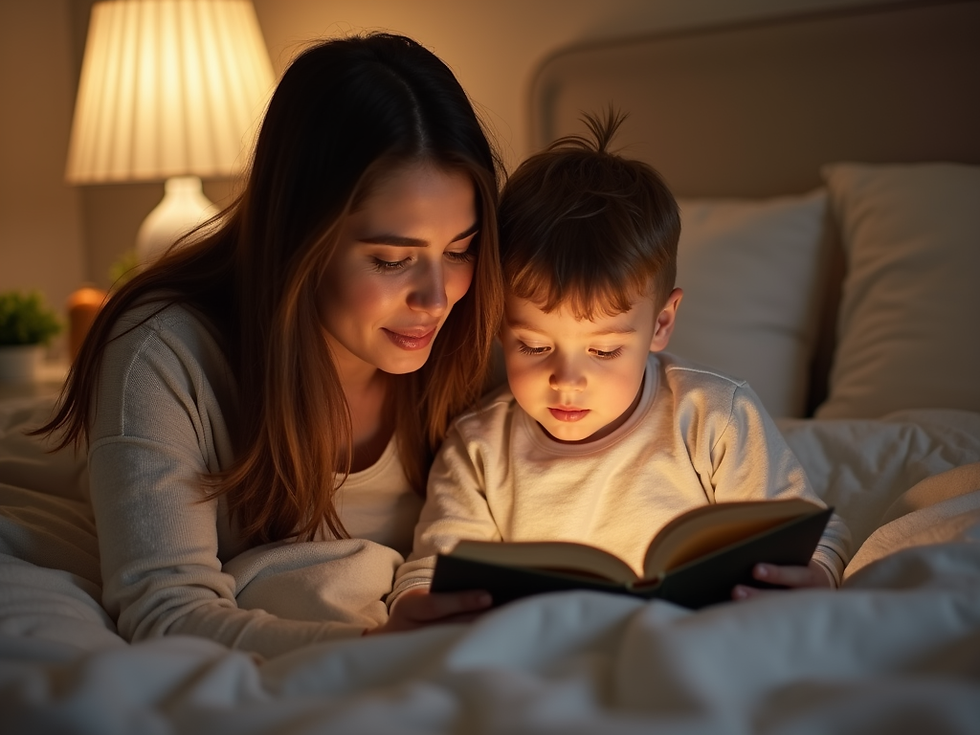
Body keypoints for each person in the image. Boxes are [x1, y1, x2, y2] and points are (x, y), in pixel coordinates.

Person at [37, 33, 501, 659]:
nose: (439, 298)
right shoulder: (162, 352)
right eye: (393, 260)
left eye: (460, 250)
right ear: (298, 239)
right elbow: (165, 609)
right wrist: (371, 648)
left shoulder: (488, 342)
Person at [390, 111, 850, 608]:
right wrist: (417, 602)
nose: (566, 381)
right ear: (499, 325)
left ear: (661, 325)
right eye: (534, 346)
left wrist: (818, 572)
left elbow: (811, 533)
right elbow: (432, 573)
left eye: (604, 350)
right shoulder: (479, 448)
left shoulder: (714, 417)